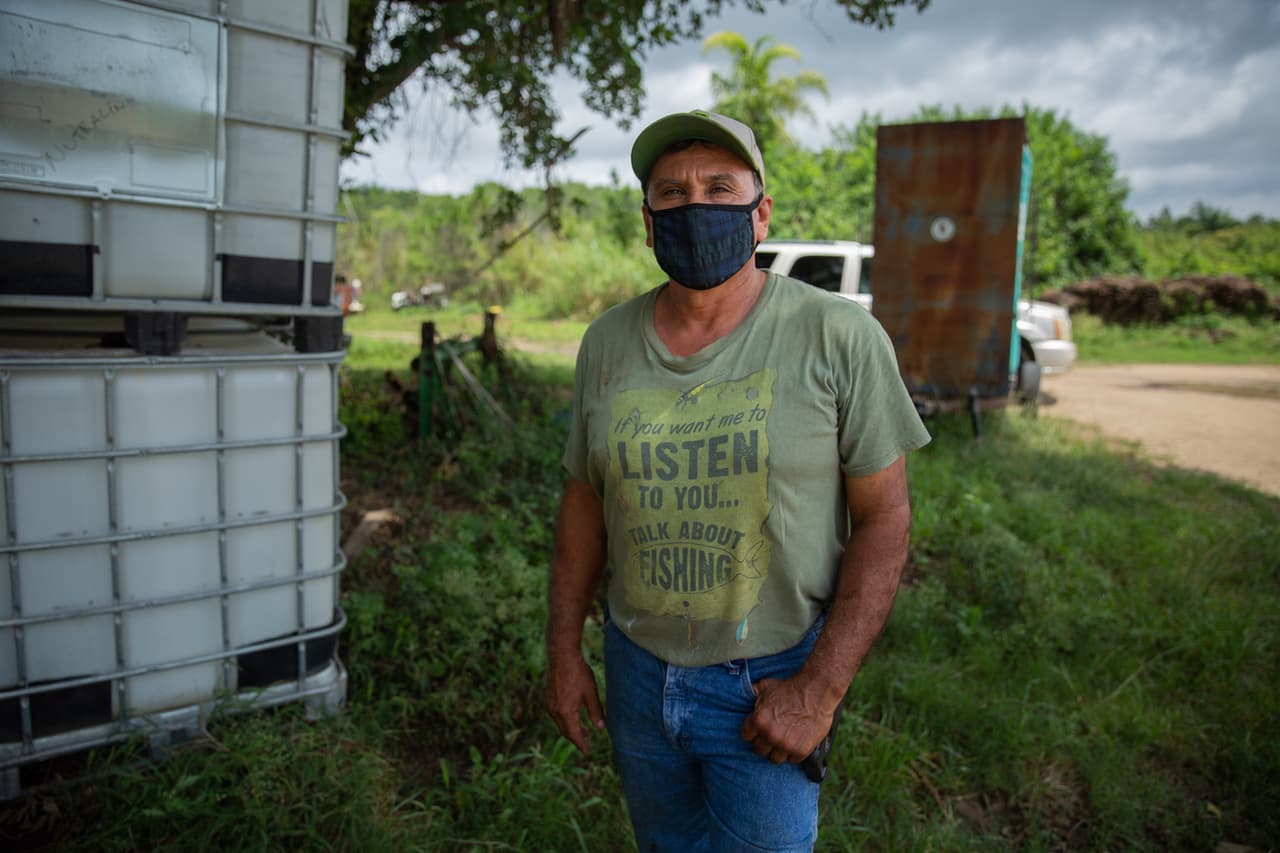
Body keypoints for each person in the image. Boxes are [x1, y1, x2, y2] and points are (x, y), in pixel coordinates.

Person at [545, 109, 931, 852]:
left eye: (720, 187)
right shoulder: (606, 343)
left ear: (761, 212)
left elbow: (886, 519)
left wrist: (818, 691)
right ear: (649, 222)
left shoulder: (838, 334)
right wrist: (564, 652)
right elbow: (583, 508)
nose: (696, 207)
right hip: (638, 669)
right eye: (671, 192)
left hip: (770, 683)